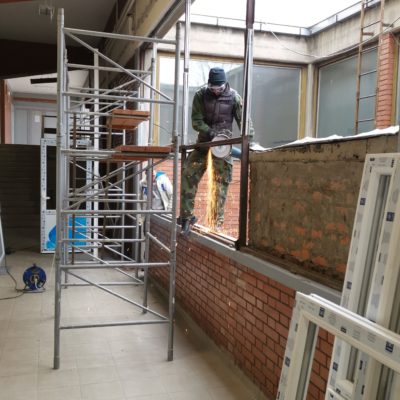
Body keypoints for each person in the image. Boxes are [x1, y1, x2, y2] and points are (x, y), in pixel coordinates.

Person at [180, 67, 252, 235]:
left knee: (220, 185)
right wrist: (210, 132)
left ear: (224, 84)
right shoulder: (201, 95)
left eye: (219, 88)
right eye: (213, 88)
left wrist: (249, 142)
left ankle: (215, 224)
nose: (216, 91)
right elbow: (196, 121)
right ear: (209, 85)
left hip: (223, 147)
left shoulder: (234, 97)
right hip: (204, 144)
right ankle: (186, 217)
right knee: (188, 173)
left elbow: (245, 124)